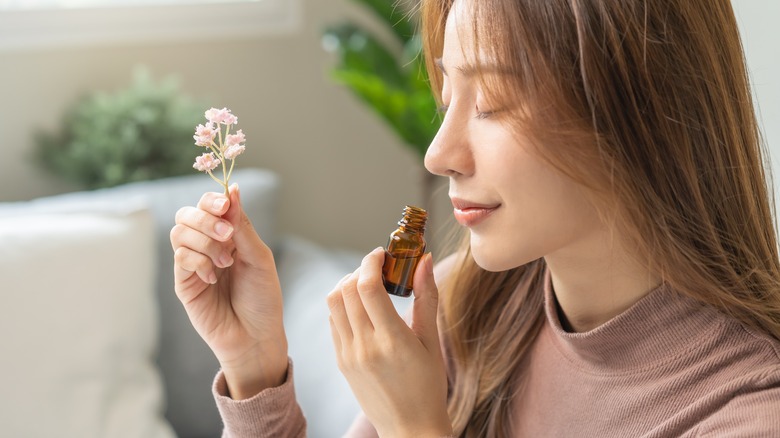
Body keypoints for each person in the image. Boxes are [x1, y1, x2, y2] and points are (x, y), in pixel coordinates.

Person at [169, 0, 780, 436]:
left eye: (491, 103)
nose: (438, 154)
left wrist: (415, 428)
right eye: (447, 96)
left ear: (636, 112)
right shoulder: (479, 300)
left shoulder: (745, 411)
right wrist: (254, 371)